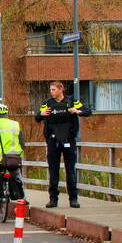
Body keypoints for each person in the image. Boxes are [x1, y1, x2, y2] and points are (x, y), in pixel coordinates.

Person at [34, 80, 92, 208]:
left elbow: (88, 111)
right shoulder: (47, 103)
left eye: (53, 89)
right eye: (50, 90)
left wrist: (77, 111)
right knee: (53, 170)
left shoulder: (71, 102)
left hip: (68, 139)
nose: (51, 92)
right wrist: (41, 114)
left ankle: (73, 199)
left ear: (61, 89)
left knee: (70, 170)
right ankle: (53, 199)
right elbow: (37, 118)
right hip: (52, 140)